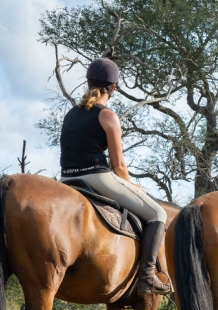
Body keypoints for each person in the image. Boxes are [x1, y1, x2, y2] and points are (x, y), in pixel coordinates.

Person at [59, 58, 171, 295]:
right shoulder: (107, 115)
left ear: (88, 82)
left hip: (67, 180)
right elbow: (119, 166)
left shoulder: (71, 114)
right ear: (114, 88)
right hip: (96, 178)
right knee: (158, 213)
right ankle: (148, 276)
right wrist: (131, 188)